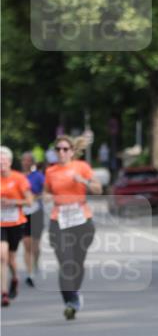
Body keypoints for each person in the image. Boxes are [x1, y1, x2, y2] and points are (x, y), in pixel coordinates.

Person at [44, 135, 102, 320]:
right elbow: (46, 191)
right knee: (66, 263)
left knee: (77, 263)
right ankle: (71, 301)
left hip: (81, 220)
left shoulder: (82, 167)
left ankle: (74, 291)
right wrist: (46, 197)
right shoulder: (50, 171)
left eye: (65, 149)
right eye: (58, 149)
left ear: (72, 151)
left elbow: (98, 189)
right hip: (59, 220)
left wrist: (83, 181)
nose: (61, 152)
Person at [0, 146, 33, 307]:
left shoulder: (18, 178)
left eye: (3, 161)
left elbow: (29, 201)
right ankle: (4, 293)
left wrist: (12, 202)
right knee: (2, 256)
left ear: (10, 162)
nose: (1, 164)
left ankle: (14, 278)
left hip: (15, 222)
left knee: (11, 257)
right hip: (0, 224)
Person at [20, 152, 45, 287]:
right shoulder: (17, 177)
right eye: (24, 160)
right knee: (26, 244)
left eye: (29, 161)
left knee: (35, 246)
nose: (26, 163)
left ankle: (36, 262)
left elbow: (46, 191)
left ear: (33, 163)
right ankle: (30, 274)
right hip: (23, 213)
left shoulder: (38, 176)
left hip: (36, 212)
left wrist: (36, 197)